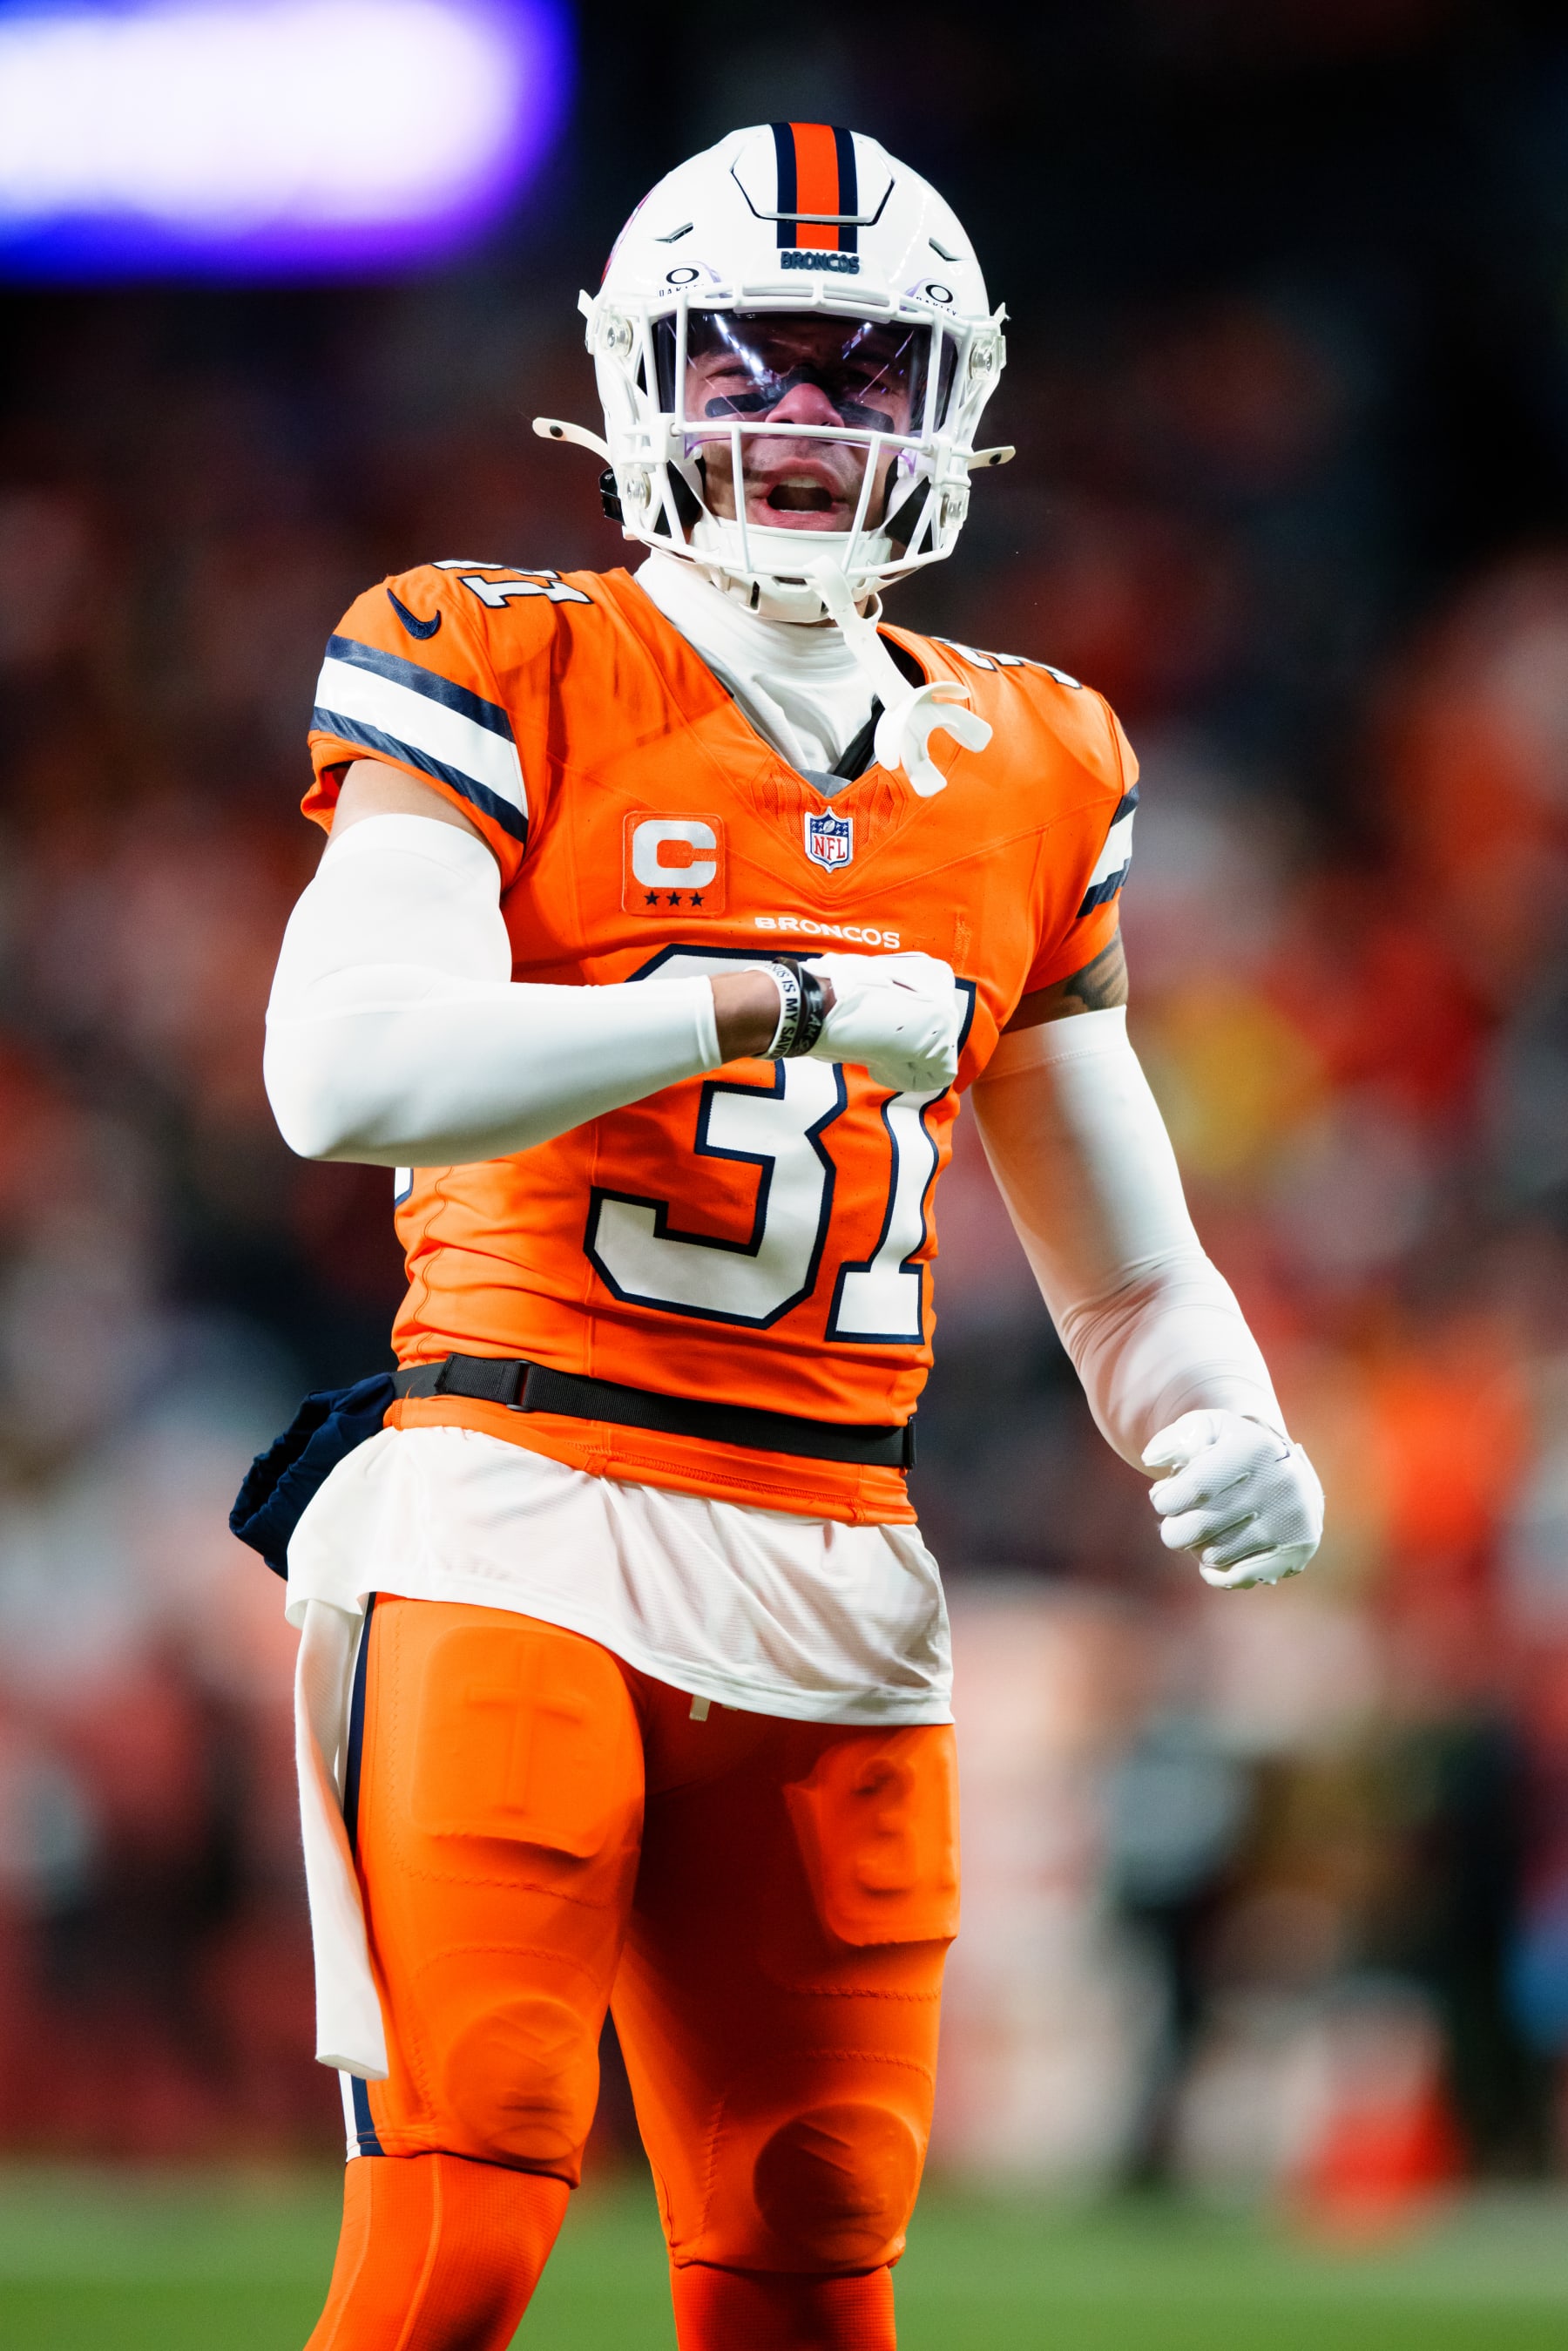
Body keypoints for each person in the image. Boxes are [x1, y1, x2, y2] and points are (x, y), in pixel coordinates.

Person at [263, 122, 1324, 2351]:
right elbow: (339, 1072)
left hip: (838, 1545)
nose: (802, 412)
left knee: (812, 2243)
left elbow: (1129, 1262)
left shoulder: (1037, 757)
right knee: (469, 2196)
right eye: (747, 353)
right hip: (516, 1499)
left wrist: (1216, 1414)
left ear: (956, 400)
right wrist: (756, 1002)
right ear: (638, 375)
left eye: (861, 363)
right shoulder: (499, 654)